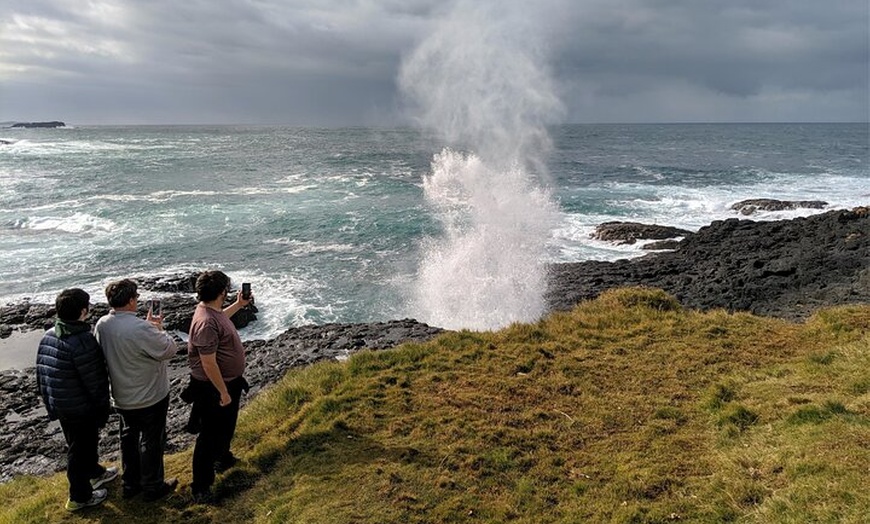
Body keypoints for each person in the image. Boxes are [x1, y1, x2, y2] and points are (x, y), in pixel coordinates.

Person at [94, 279, 179, 501]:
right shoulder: (140, 327)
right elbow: (169, 349)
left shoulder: (102, 324)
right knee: (152, 441)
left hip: (121, 395)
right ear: (132, 300)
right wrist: (157, 328)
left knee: (128, 439)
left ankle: (130, 484)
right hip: (150, 395)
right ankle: (153, 486)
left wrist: (148, 328)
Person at [36, 288, 118, 512]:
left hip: (61, 403)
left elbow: (41, 373)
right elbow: (96, 380)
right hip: (80, 408)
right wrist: (103, 408)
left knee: (80, 445)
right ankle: (79, 497)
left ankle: (95, 473)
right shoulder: (81, 340)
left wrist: (49, 402)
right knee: (79, 451)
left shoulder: (49, 334)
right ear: (83, 311)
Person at [185, 270, 251, 502]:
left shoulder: (210, 311)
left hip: (227, 382)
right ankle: (201, 487)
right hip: (213, 387)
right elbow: (208, 363)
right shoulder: (205, 323)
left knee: (225, 426)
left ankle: (222, 458)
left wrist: (239, 305)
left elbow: (220, 317)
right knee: (209, 436)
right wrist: (222, 391)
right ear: (222, 291)